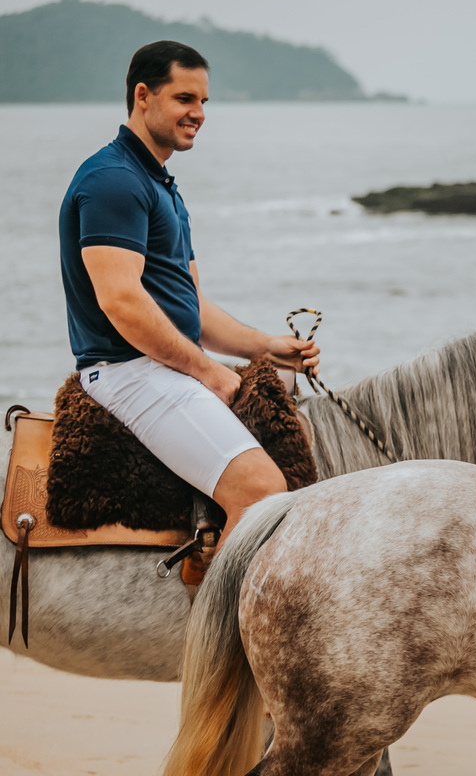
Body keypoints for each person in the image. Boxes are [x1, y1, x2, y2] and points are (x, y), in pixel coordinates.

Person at [58, 40, 319, 546]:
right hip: (127, 371)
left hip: (161, 364)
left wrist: (267, 347)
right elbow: (121, 301)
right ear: (142, 96)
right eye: (184, 99)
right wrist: (206, 370)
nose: (198, 114)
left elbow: (191, 309)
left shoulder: (161, 187)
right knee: (261, 489)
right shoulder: (114, 180)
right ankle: (223, 628)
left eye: (203, 102)